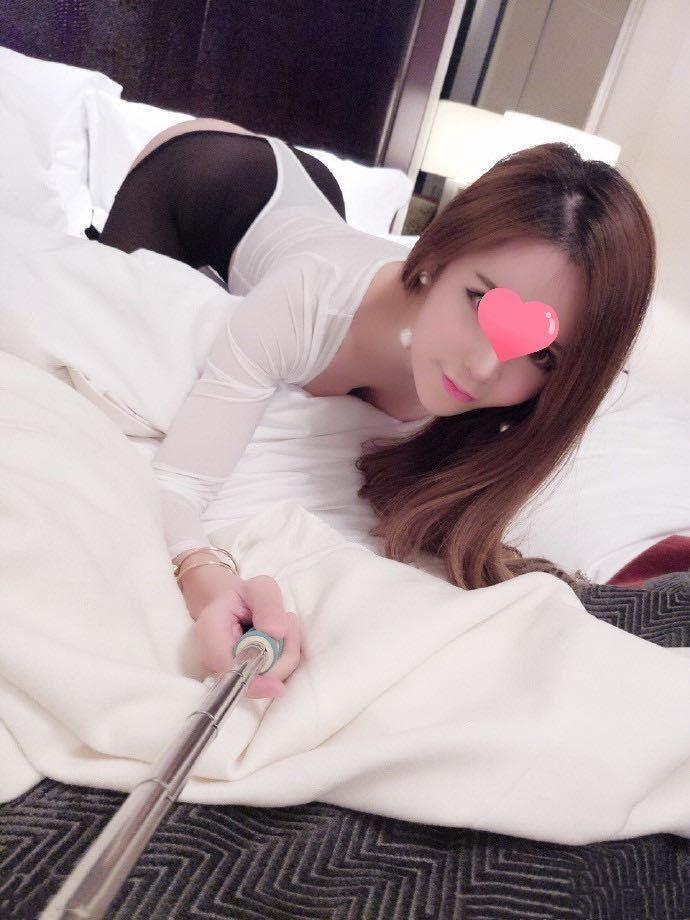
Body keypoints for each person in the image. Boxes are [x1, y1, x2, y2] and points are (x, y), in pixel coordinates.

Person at [99, 119, 656, 701]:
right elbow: (180, 483)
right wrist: (207, 576)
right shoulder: (310, 299)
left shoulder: (493, 401)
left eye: (541, 355)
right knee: (113, 293)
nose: (483, 368)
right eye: (480, 302)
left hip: (317, 202)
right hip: (207, 181)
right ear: (438, 255)